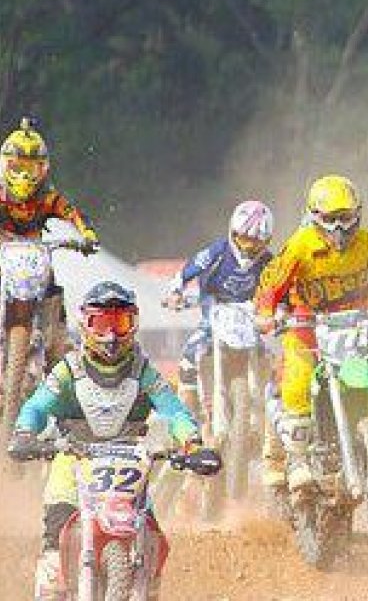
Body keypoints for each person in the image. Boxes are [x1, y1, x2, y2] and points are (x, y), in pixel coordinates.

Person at [7, 281, 218, 601]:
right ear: (85, 325)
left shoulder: (144, 372)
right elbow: (36, 407)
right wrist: (25, 432)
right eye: (102, 323)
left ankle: (147, 590)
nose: (111, 336)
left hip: (129, 469)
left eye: (120, 323)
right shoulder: (68, 370)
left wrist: (192, 443)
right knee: (54, 551)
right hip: (73, 460)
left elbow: (174, 411)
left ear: (133, 324)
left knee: (153, 541)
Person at [253, 175, 368, 492]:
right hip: (308, 324)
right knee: (298, 377)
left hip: (356, 323)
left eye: (345, 218)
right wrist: (265, 313)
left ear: (358, 214)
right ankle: (297, 458)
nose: (339, 228)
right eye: (330, 219)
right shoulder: (300, 245)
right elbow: (271, 282)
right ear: (315, 216)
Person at [0, 117, 99, 365]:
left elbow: (73, 213)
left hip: (34, 257)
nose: (24, 175)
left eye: (30, 169)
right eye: (17, 168)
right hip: (3, 253)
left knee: (52, 289)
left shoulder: (48, 198)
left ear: (42, 169)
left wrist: (87, 234)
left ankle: (57, 342)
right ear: (5, 166)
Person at [163, 200, 274, 421]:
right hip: (215, 308)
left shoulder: (269, 262)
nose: (248, 248)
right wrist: (176, 291)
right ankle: (186, 414)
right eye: (243, 239)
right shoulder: (219, 250)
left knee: (268, 359)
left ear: (267, 241)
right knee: (190, 355)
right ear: (233, 233)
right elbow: (190, 269)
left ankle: (270, 424)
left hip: (248, 315)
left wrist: (283, 309)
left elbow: (280, 286)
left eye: (255, 242)